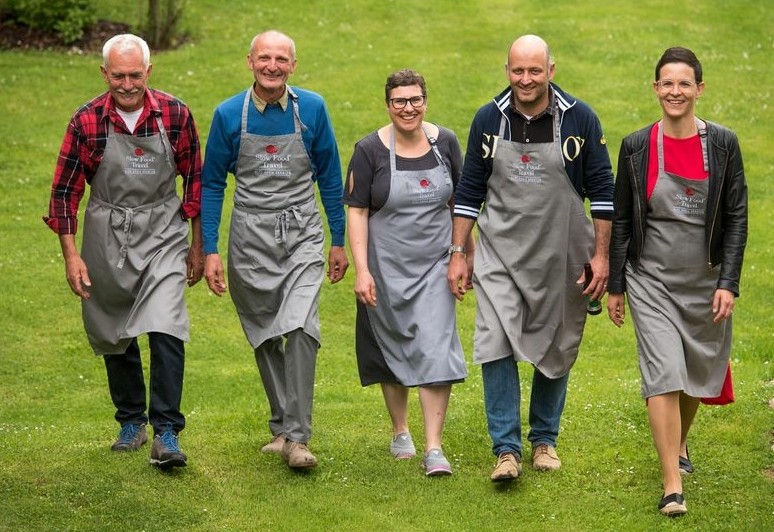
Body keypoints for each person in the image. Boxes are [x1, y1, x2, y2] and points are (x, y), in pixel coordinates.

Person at [448, 35, 614, 482]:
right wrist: (459, 252)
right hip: (500, 250)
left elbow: (602, 190)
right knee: (495, 341)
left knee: (556, 345)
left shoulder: (579, 118)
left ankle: (544, 440)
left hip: (561, 251)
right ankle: (506, 450)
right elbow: (469, 193)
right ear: (507, 71)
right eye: (518, 71)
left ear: (550, 71)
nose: (526, 80)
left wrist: (601, 257)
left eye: (534, 71)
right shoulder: (489, 118)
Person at [44, 34, 203, 469]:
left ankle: (167, 430)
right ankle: (131, 420)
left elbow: (195, 181)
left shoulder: (174, 114)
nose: (128, 84)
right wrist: (71, 256)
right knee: (113, 327)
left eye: (135, 75)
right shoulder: (87, 121)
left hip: (163, 229)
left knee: (167, 324)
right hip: (106, 229)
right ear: (104, 73)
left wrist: (197, 245)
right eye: (119, 75)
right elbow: (64, 193)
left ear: (149, 72)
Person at [607, 46, 747, 516]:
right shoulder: (637, 146)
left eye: (684, 83)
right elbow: (623, 218)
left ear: (699, 89)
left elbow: (736, 217)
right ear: (655, 88)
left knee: (695, 376)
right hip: (651, 280)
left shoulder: (724, 143)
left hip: (705, 282)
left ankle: (680, 442)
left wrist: (728, 281)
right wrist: (616, 285)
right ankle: (671, 483)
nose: (675, 91)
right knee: (664, 373)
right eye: (666, 83)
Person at [202, 30, 348, 470]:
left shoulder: (313, 110)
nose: (272, 66)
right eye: (264, 58)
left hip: (302, 231)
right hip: (250, 237)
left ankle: (299, 440)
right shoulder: (229, 115)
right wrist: (210, 249)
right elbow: (211, 184)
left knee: (301, 326)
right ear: (250, 61)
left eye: (281, 59)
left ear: (293, 65)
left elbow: (331, 177)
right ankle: (282, 427)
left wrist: (337, 239)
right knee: (264, 330)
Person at [344, 69, 473, 476]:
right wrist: (362, 270)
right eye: (400, 101)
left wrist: (463, 254)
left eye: (415, 99)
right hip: (387, 268)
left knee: (437, 347)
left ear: (425, 101)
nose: (408, 108)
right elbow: (358, 211)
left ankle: (434, 447)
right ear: (388, 105)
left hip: (436, 264)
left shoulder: (446, 142)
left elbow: (462, 204)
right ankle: (401, 429)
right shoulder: (369, 151)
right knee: (393, 344)